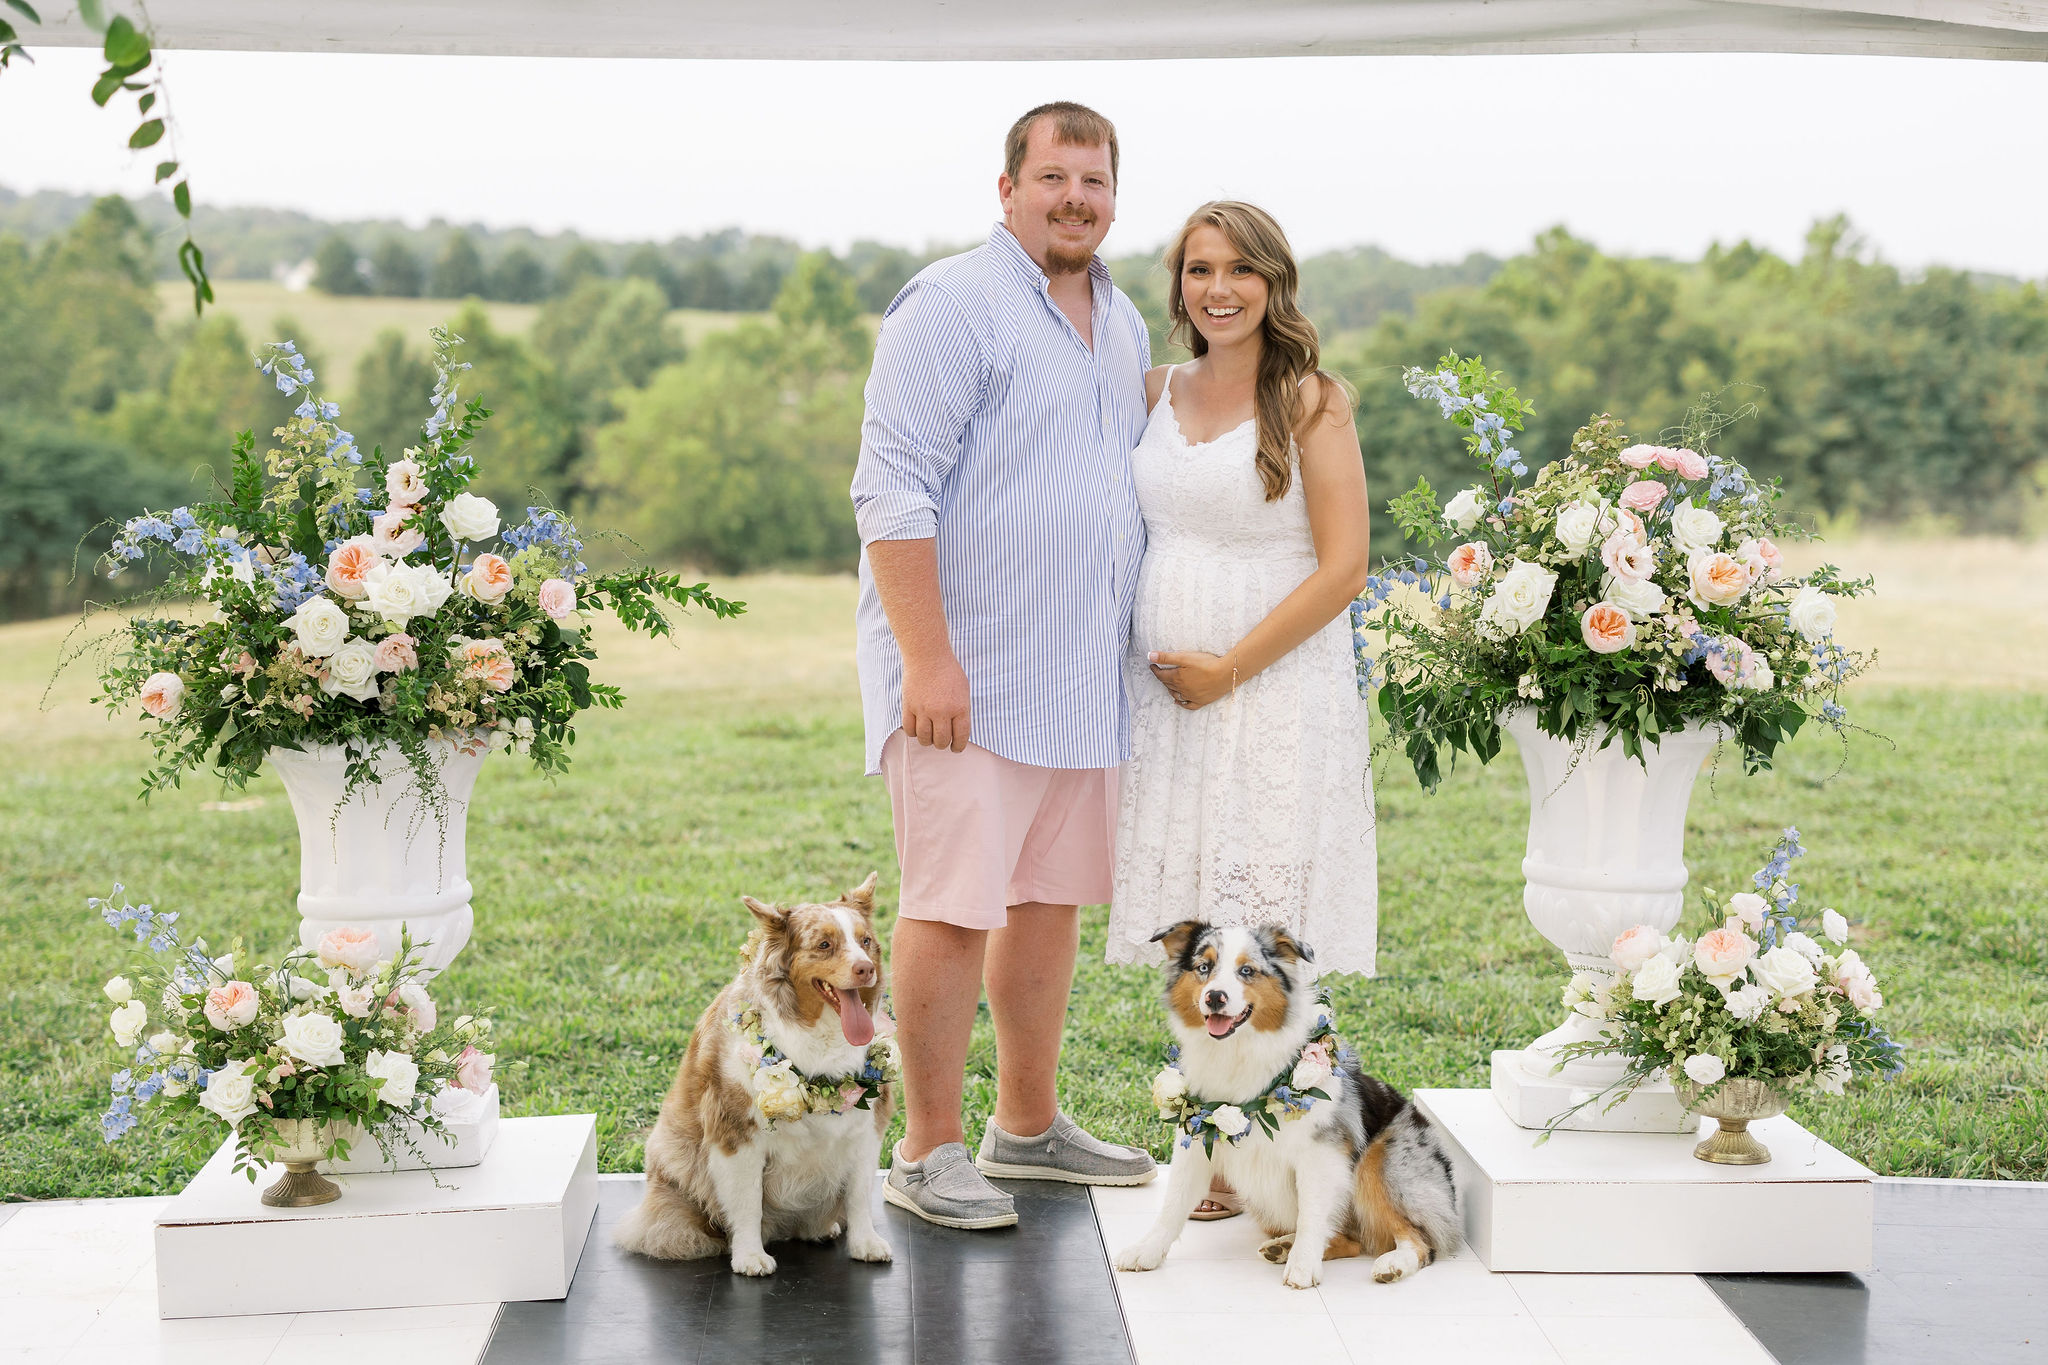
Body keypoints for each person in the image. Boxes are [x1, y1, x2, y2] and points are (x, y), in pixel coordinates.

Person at [851, 101, 1158, 1231]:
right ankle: (925, 1151)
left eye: (1094, 180)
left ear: (1114, 197)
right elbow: (889, 491)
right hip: (963, 681)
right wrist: (926, 661)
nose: (1074, 197)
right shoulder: (952, 303)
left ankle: (1025, 1129)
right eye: (1053, 177)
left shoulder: (1118, 320)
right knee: (949, 904)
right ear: (1007, 188)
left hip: (1076, 678)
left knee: (1046, 904)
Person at [1105, 200, 1378, 1216]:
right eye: (1195, 269)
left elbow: (1344, 566)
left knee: (1265, 913)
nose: (1216, 289)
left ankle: (1284, 1141)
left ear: (1273, 283)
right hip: (1168, 699)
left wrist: (1230, 669)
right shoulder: (1146, 390)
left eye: (1238, 271)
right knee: (1197, 922)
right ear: (1175, 284)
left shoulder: (1309, 399)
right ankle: (1215, 1142)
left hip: (1271, 687)